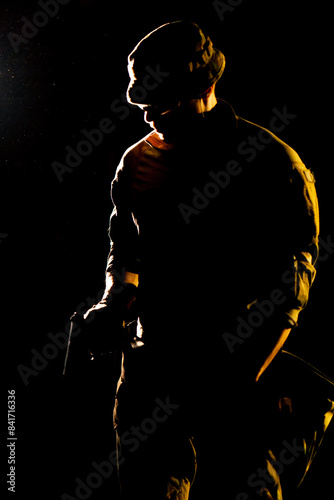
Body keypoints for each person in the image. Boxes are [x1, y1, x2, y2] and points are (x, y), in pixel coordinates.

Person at [77, 21, 320, 499]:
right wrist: (113, 303)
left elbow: (292, 283)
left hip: (237, 365)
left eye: (163, 103)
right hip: (152, 366)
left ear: (207, 87)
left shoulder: (272, 164)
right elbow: (125, 250)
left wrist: (243, 377)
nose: (150, 117)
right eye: (144, 105)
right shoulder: (137, 162)